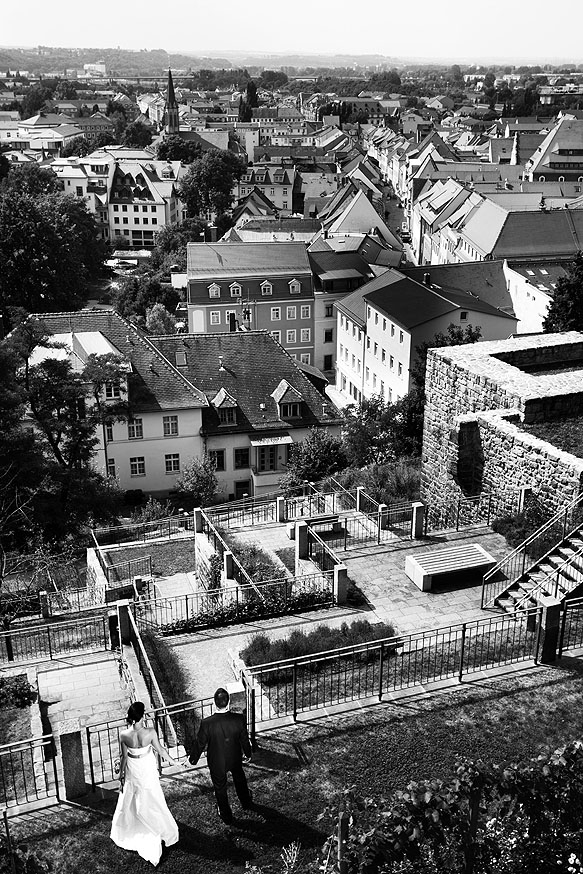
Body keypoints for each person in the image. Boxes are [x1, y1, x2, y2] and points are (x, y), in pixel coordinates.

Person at [110, 701, 184, 866]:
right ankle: (156, 822)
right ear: (141, 716)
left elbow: (123, 758)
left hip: (132, 768)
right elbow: (161, 751)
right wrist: (174, 762)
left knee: (130, 796)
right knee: (153, 796)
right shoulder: (150, 732)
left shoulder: (123, 735)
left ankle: (133, 823)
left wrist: (120, 777)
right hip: (146, 768)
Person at [189, 687, 253, 824]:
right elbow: (244, 740)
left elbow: (200, 743)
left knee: (220, 788)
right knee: (240, 779)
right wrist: (248, 753)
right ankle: (246, 801)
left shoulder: (207, 723)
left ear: (214, 703)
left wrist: (192, 759)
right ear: (228, 702)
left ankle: (226, 814)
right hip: (235, 757)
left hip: (217, 761)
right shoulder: (238, 719)